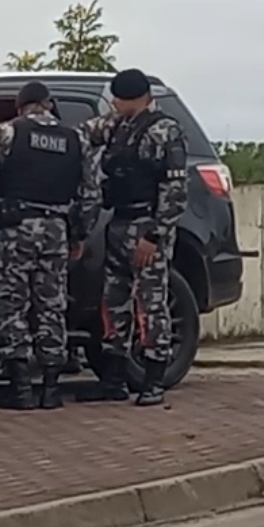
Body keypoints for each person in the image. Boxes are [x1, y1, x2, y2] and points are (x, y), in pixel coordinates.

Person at [0, 80, 101, 410]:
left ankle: (21, 388)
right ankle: (51, 388)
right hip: (56, 230)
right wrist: (78, 235)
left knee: (13, 304)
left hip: (18, 229)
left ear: (21, 105)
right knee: (52, 305)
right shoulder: (76, 138)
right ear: (49, 104)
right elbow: (91, 195)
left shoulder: (10, 132)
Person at [78, 67, 188, 406]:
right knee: (114, 302)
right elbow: (81, 136)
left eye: (120, 98)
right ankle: (113, 379)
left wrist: (153, 236)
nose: (114, 104)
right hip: (120, 223)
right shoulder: (116, 125)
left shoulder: (164, 132)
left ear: (138, 98)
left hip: (147, 226)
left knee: (151, 304)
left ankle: (154, 379)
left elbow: (175, 191)